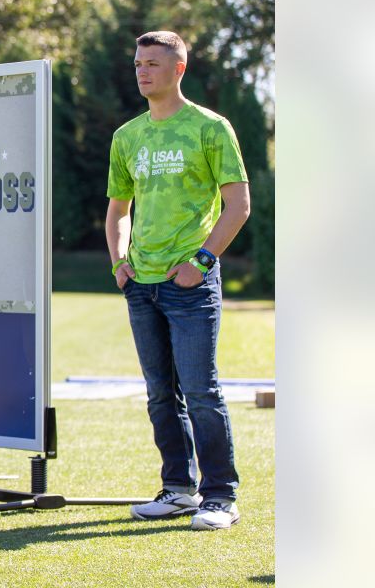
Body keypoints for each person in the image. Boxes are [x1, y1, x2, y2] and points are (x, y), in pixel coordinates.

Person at [106, 31, 250, 530]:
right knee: (160, 394)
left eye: (152, 63)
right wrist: (119, 263)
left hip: (190, 284)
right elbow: (117, 211)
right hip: (140, 285)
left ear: (178, 69)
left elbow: (238, 206)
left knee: (201, 390)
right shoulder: (127, 136)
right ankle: (178, 489)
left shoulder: (211, 128)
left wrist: (203, 262)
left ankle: (219, 497)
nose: (142, 71)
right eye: (138, 63)